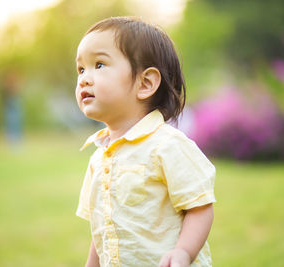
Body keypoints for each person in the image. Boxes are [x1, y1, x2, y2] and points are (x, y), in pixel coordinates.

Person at [75, 17, 216, 267]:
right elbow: (103, 227)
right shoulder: (99, 157)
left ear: (145, 83)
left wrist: (183, 252)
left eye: (99, 64)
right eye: (81, 69)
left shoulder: (167, 145)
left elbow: (200, 206)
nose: (84, 79)